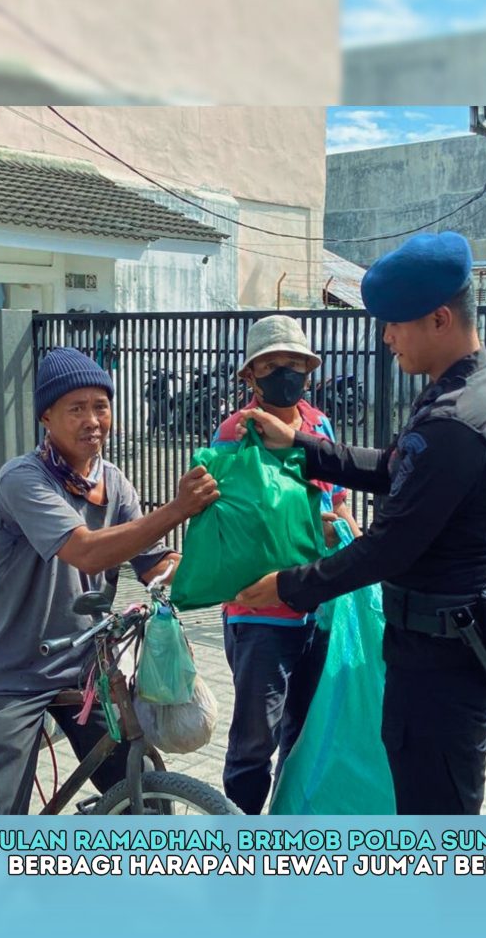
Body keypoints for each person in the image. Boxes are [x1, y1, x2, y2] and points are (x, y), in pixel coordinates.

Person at [235, 232, 486, 815]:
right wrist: (302, 445)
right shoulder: (471, 389)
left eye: (394, 323)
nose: (386, 337)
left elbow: (387, 549)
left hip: (442, 662)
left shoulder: (456, 420)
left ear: (439, 319)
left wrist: (286, 585)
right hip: (443, 646)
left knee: (435, 812)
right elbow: (395, 467)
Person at [0, 347, 218, 814]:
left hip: (84, 668)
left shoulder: (113, 482)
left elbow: (154, 565)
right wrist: (178, 508)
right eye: (76, 409)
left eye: (101, 406)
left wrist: (232, 564)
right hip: (9, 673)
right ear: (46, 417)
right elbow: (86, 550)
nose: (93, 421)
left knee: (144, 797)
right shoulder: (23, 479)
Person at [212, 315, 360, 814]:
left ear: (309, 372)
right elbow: (235, 521)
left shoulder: (319, 425)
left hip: (319, 607)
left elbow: (338, 503)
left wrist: (359, 549)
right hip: (261, 613)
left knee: (305, 732)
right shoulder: (235, 433)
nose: (285, 374)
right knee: (256, 741)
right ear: (250, 376)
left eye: (295, 364)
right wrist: (313, 528)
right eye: (272, 365)